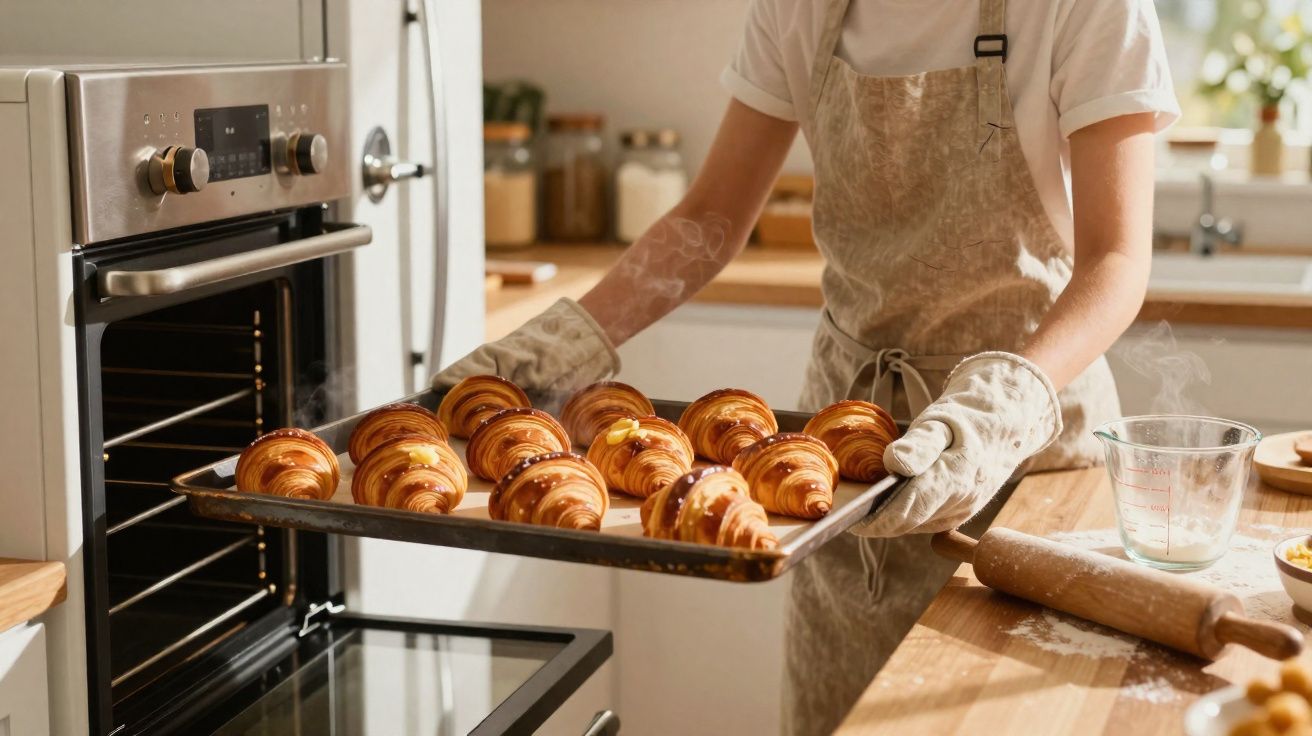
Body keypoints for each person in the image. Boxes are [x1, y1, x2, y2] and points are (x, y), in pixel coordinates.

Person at [438, 0, 1178, 732]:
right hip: (841, 476)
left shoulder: (1085, 7)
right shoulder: (799, 8)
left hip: (1027, 461)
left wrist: (999, 405)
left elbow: (1115, 260)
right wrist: (568, 343)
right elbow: (711, 216)